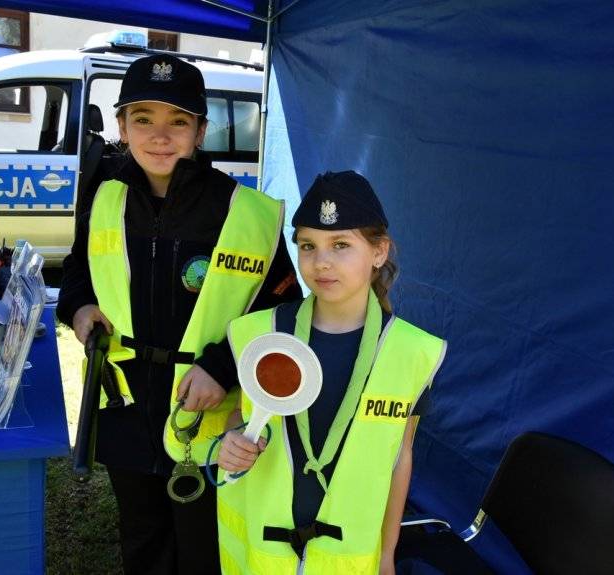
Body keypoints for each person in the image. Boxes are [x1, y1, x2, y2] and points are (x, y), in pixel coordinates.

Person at [56, 54, 301, 575]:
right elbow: (78, 268)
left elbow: (280, 312)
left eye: (178, 122)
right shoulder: (104, 194)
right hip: (124, 400)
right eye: (143, 120)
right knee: (141, 535)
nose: (159, 137)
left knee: (200, 545)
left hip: (205, 410)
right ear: (121, 126)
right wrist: (78, 308)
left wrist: (223, 366)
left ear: (201, 130)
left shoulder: (246, 213)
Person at [215, 171, 446, 575]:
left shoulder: (412, 351)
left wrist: (387, 554)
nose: (321, 261)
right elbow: (240, 415)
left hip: (350, 559)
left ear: (379, 252)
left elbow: (399, 456)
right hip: (265, 554)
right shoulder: (258, 332)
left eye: (341, 245)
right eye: (308, 246)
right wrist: (231, 440)